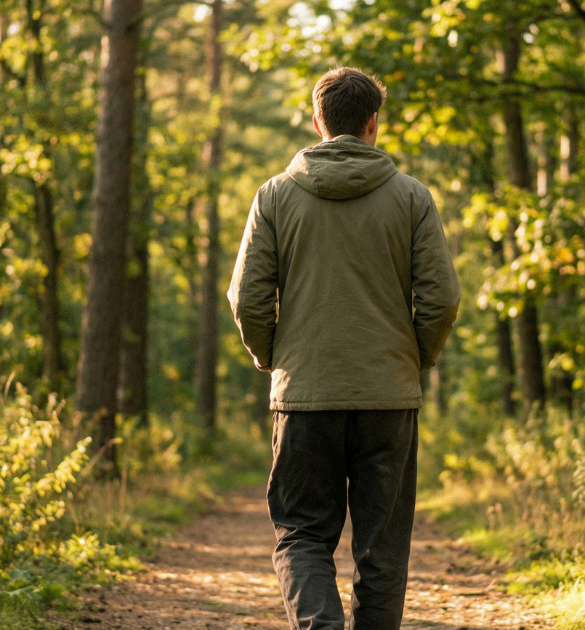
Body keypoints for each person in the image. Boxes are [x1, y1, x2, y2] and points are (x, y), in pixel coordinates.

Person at [227, 67, 461, 630]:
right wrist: (413, 360)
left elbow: (246, 300)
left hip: (304, 395)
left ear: (317, 120)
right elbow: (442, 300)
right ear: (373, 122)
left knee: (303, 535)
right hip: (389, 397)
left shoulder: (275, 196)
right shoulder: (412, 197)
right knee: (382, 549)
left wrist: (275, 360)